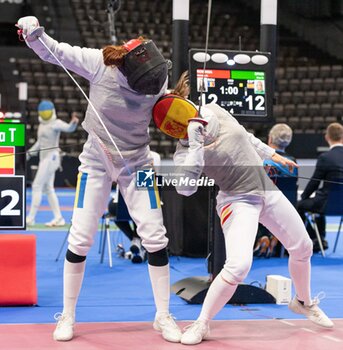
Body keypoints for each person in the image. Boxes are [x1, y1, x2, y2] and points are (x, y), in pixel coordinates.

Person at [17, 16, 182, 343]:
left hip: (138, 162)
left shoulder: (157, 79)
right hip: (96, 160)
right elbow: (55, 51)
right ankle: (67, 315)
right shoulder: (98, 64)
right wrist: (33, 34)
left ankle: (163, 315)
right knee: (80, 237)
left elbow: (169, 106)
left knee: (155, 236)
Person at [153, 73, 333, 345]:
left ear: (184, 103)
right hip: (237, 201)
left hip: (266, 190)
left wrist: (273, 156)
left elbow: (247, 137)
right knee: (238, 266)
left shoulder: (215, 110)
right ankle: (202, 323)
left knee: (303, 247)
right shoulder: (184, 151)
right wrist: (196, 145)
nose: (176, 124)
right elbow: (185, 188)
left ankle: (303, 302)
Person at [26, 100, 79, 226]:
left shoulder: (56, 123)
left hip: (52, 157)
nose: (45, 114)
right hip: (44, 159)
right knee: (48, 189)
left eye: (47, 112)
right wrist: (29, 153)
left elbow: (69, 128)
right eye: (43, 112)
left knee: (37, 186)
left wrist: (74, 122)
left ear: (52, 111)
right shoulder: (41, 125)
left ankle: (31, 218)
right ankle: (59, 218)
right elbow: (39, 143)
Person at [108, 150, 162, 264]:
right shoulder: (121, 154)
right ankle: (138, 241)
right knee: (135, 210)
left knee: (132, 209)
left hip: (132, 200)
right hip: (131, 201)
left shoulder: (151, 157)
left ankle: (135, 240)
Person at [297, 122, 343, 252]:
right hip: (337, 203)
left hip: (326, 204)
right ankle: (320, 238)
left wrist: (303, 197)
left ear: (327, 137)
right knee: (321, 199)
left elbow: (314, 182)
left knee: (300, 206)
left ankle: (316, 238)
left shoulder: (325, 158)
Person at [254, 123, 298, 257]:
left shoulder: (261, 159)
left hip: (264, 204)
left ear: (270, 139)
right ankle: (276, 234)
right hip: (286, 205)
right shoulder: (292, 162)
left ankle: (262, 235)